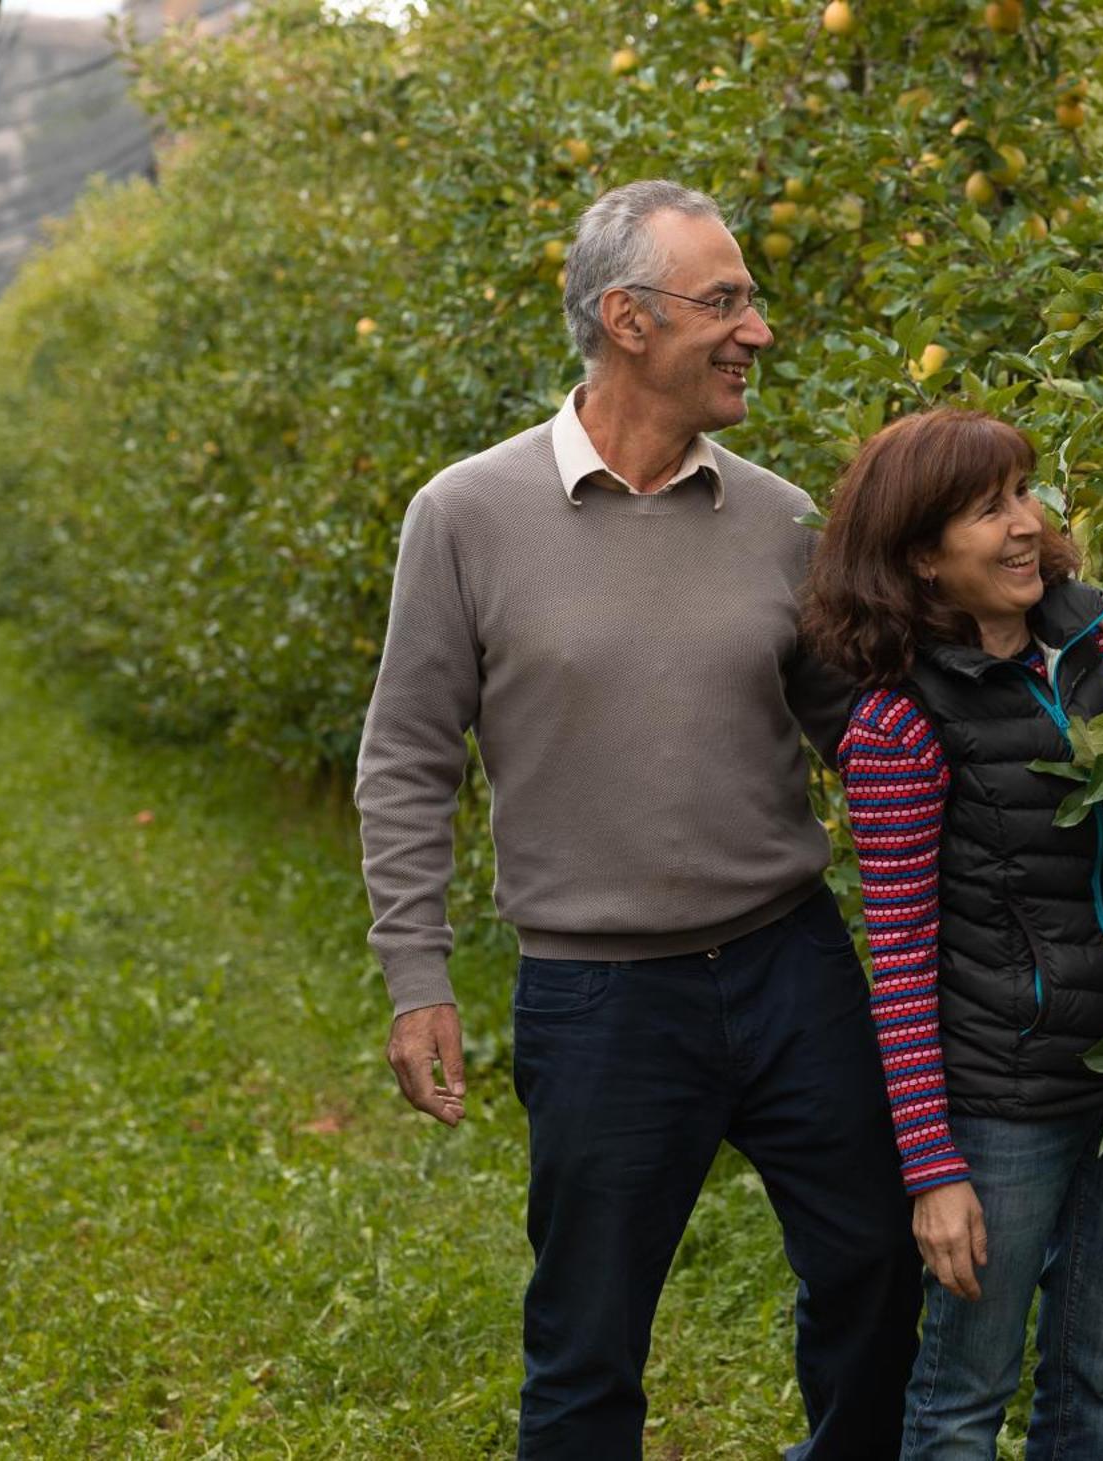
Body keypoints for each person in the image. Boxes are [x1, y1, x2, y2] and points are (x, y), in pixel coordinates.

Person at [354, 179, 921, 1460]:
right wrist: (416, 972)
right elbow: (404, 755)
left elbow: (868, 737)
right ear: (625, 319)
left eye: (751, 301)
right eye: (722, 301)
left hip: (789, 967)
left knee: (879, 1265)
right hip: (601, 998)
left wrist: (1069, 700)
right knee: (586, 1341)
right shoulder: (466, 516)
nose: (755, 330)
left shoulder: (778, 519)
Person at [800, 408, 1103, 1459]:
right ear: (919, 557)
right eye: (983, 509)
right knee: (963, 1397)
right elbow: (901, 963)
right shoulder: (896, 728)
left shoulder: (1094, 649)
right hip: (1001, 1108)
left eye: (1021, 493)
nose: (1023, 525)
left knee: (1092, 1381)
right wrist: (932, 1170)